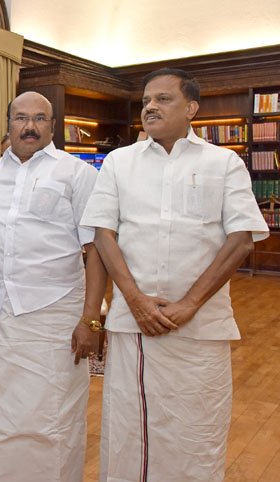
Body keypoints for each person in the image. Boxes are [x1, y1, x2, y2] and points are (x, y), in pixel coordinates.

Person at [80, 68, 269, 482]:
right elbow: (103, 234)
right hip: (133, 326)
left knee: (195, 432)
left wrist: (189, 304)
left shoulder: (224, 163)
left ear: (191, 109)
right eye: (147, 99)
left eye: (163, 99)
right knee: (129, 429)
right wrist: (134, 300)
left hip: (200, 328)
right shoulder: (118, 162)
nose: (150, 106)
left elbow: (241, 240)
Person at [0, 91, 107, 482]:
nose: (29, 126)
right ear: (7, 125)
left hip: (55, 318)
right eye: (21, 118)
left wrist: (91, 320)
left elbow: (97, 252)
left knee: (52, 420)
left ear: (52, 126)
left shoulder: (77, 174)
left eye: (39, 119)